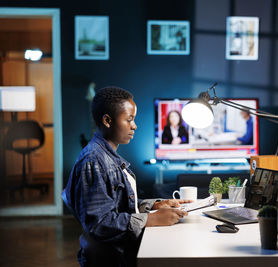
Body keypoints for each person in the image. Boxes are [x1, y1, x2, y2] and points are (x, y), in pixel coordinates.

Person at [63, 86, 191, 267]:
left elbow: (117, 206)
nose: (134, 125)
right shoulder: (94, 161)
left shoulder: (107, 156)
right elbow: (99, 224)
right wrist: (151, 219)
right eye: (129, 119)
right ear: (107, 120)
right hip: (110, 260)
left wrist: (153, 205)